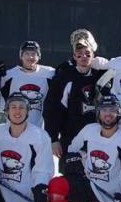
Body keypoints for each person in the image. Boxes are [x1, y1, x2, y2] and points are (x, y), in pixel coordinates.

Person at [39, 94, 121, 202]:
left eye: (112, 110)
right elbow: (73, 149)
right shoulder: (89, 131)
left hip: (111, 194)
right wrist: (75, 159)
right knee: (57, 184)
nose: (108, 114)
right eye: (103, 110)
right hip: (88, 185)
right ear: (97, 113)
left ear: (119, 113)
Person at [44, 30, 113, 160]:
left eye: (87, 54)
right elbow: (53, 110)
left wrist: (107, 66)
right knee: (71, 175)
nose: (84, 57)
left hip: (100, 137)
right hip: (71, 137)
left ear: (94, 55)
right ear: (74, 56)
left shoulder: (104, 74)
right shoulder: (64, 77)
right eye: (79, 54)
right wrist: (53, 139)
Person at [0, 40, 56, 128]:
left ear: (39, 56)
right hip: (13, 131)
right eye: (27, 53)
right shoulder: (9, 76)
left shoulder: (49, 73)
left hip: (37, 132)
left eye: (34, 54)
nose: (30, 57)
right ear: (21, 56)